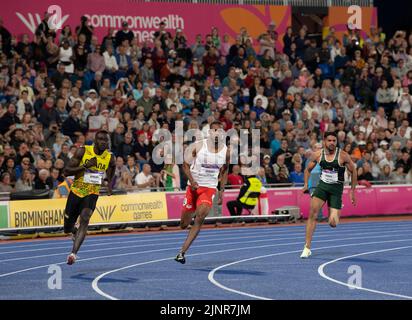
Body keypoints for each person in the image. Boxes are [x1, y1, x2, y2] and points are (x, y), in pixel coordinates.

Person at [175, 121, 230, 264]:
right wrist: (192, 181)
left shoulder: (226, 151)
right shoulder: (198, 146)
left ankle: (182, 252)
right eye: (214, 130)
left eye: (220, 131)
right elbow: (185, 165)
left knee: (201, 216)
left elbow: (225, 170)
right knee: (183, 224)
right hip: (193, 187)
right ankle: (192, 210)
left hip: (209, 188)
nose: (217, 133)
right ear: (209, 133)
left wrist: (222, 190)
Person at [300, 132, 357, 259]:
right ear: (324, 141)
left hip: (336, 189)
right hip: (322, 187)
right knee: (312, 214)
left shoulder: (342, 155)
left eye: (334, 141)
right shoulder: (318, 154)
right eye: (329, 140)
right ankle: (307, 247)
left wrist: (352, 191)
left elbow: (353, 171)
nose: (332, 143)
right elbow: (307, 170)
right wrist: (305, 185)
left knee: (333, 223)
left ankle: (334, 208)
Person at [63, 130, 115, 265]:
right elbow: (66, 171)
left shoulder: (110, 157)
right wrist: (85, 166)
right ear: (95, 141)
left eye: (106, 140)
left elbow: (112, 168)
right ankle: (73, 230)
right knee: (66, 228)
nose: (104, 142)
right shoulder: (83, 151)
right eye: (101, 140)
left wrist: (109, 183)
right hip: (76, 192)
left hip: (92, 193)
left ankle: (73, 254)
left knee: (85, 218)